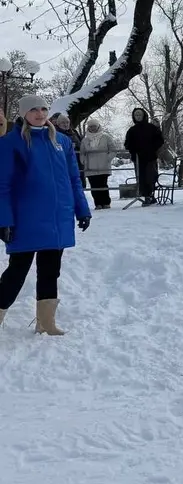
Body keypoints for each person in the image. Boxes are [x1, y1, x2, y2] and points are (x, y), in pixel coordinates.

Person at [0, 94, 91, 335]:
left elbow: (74, 179)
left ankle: (46, 322)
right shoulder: (11, 143)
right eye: (33, 110)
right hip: (25, 220)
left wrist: (82, 209)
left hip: (57, 219)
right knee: (16, 272)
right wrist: (4, 219)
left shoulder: (62, 140)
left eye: (43, 108)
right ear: (23, 114)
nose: (39, 114)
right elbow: (3, 185)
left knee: (51, 270)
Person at [124, 108, 165, 206]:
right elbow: (127, 144)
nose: (138, 116)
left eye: (139, 114)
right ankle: (146, 196)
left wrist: (152, 148)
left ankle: (151, 195)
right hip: (138, 158)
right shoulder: (132, 130)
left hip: (150, 157)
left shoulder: (151, 128)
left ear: (144, 115)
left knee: (150, 176)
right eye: (136, 115)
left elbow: (160, 140)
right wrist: (134, 150)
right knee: (141, 178)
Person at [79, 120, 119, 209]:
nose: (92, 128)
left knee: (103, 184)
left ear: (98, 126)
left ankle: (106, 202)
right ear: (88, 128)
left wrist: (108, 158)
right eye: (91, 126)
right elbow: (82, 153)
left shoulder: (106, 137)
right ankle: (98, 204)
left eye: (94, 126)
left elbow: (113, 149)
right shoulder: (85, 140)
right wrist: (84, 161)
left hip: (103, 165)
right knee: (94, 185)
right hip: (90, 166)